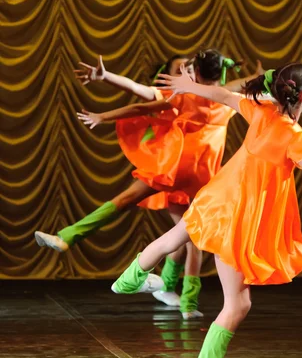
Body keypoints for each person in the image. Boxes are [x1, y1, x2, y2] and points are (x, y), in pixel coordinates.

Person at [110, 62, 302, 358]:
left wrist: (188, 86)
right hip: (238, 219)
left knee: (174, 237)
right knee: (238, 304)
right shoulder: (294, 135)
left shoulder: (260, 112)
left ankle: (129, 280)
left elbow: (222, 94)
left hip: (215, 200)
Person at [35, 51, 258, 318]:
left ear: (195, 74)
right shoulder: (228, 101)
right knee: (191, 241)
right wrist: (258, 77)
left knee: (131, 205)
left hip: (173, 171)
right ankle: (186, 301)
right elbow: (242, 86)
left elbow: (138, 97)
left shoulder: (183, 96)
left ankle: (69, 237)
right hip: (202, 179)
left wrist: (105, 90)